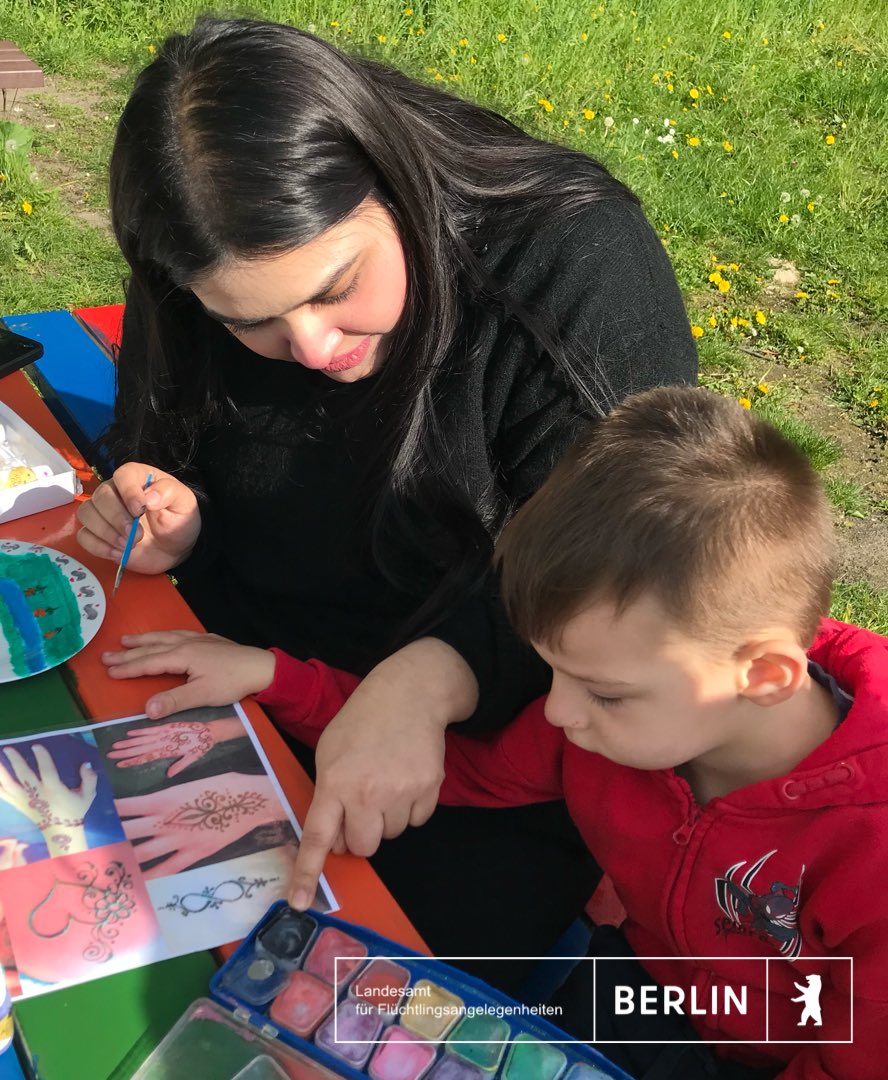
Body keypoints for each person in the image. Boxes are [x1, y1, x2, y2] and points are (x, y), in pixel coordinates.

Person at [76, 15, 696, 973]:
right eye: (253, 323)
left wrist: (431, 678)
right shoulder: (198, 262)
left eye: (335, 287)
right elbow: (153, 436)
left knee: (335, 992)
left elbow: (623, 545)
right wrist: (165, 503)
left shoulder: (569, 257)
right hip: (241, 670)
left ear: (391, 180)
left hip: (490, 751)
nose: (316, 349)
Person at [174, 387, 887, 1078]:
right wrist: (278, 678)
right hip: (632, 990)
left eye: (604, 692)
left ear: (762, 676)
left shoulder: (872, 855)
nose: (557, 713)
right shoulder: (616, 721)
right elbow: (455, 764)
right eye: (553, 674)